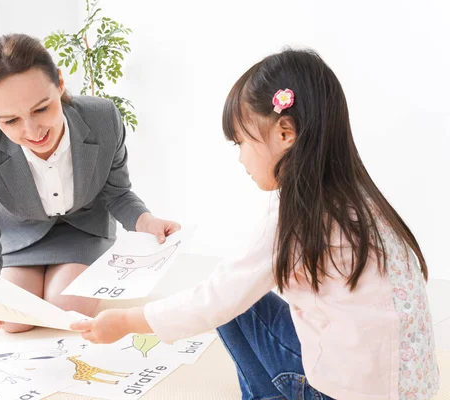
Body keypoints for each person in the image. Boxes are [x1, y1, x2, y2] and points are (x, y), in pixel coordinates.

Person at [71, 49, 440, 399]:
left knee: (231, 301)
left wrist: (127, 322)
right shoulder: (360, 195)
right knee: (240, 296)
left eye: (241, 143)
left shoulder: (294, 214)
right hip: (408, 388)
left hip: (336, 393)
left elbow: (215, 301)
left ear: (285, 133)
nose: (241, 158)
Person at [0, 33, 180, 338]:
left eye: (41, 109)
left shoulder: (102, 118)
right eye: (10, 121)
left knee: (63, 310)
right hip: (20, 239)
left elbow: (117, 192)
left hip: (82, 230)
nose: (32, 131)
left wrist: (147, 221)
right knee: (12, 320)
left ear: (59, 82)